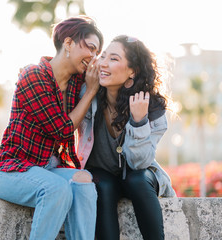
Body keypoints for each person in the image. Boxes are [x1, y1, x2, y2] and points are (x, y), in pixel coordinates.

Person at [0, 16, 103, 240]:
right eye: (90, 47)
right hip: (10, 170)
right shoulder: (33, 76)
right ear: (68, 43)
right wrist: (90, 92)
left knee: (84, 182)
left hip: (46, 169)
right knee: (56, 189)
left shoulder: (76, 84)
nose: (93, 57)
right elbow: (62, 130)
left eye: (97, 52)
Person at [76, 35, 176, 240]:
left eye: (113, 59)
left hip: (137, 175)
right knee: (103, 184)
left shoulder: (151, 107)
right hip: (101, 175)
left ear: (132, 71)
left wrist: (139, 122)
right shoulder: (87, 93)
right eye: (103, 56)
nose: (103, 63)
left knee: (137, 179)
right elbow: (63, 72)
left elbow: (139, 163)